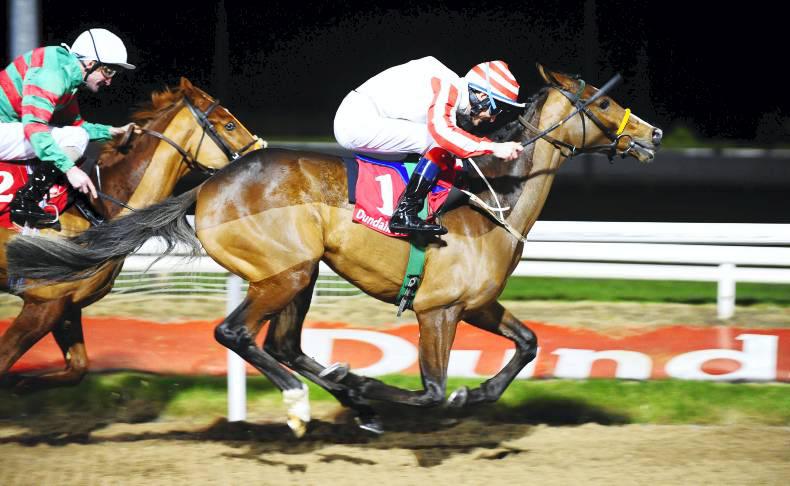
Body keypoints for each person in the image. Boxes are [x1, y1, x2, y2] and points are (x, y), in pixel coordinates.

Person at [334, 57, 525, 235]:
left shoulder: (449, 85)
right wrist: (494, 147)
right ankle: (405, 212)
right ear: (482, 95)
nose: (493, 119)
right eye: (496, 108)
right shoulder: (447, 85)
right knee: (438, 142)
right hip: (355, 121)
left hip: (364, 116)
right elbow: (443, 134)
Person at [0, 28, 137, 228]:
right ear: (90, 63)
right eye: (108, 71)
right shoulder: (52, 74)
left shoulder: (65, 72)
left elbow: (74, 126)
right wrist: (70, 169)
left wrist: (111, 132)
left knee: (76, 135)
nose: (109, 81)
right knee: (74, 138)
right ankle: (25, 201)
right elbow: (35, 127)